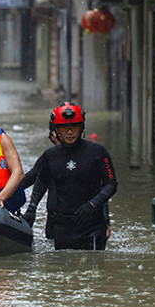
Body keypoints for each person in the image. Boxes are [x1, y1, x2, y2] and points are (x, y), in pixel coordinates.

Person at [21, 102, 118, 250]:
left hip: (92, 224)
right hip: (63, 227)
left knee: (94, 269)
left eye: (75, 127)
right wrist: (31, 209)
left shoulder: (97, 152)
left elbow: (110, 184)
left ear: (82, 127)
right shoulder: (50, 156)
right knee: (64, 267)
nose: (70, 132)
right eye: (64, 128)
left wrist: (93, 206)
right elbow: (40, 182)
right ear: (57, 130)